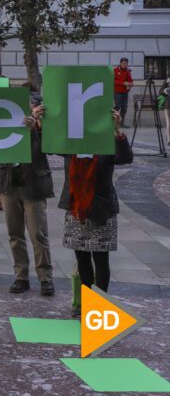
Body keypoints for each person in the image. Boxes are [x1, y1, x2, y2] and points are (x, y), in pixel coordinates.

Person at [60, 108, 133, 311]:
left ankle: (99, 306)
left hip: (101, 207)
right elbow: (49, 146)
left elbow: (125, 157)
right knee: (82, 257)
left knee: (101, 258)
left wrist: (117, 130)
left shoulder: (106, 138)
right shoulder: (70, 138)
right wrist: (42, 123)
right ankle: (85, 303)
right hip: (76, 207)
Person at [0, 97, 55, 296]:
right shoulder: (2, 125)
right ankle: (21, 276)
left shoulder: (37, 124)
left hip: (32, 185)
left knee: (38, 233)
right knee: (15, 234)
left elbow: (49, 147)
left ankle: (45, 278)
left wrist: (35, 128)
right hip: (9, 184)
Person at [114, 58, 133, 128]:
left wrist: (130, 84)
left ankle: (121, 124)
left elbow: (130, 80)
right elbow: (114, 81)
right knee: (117, 107)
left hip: (125, 92)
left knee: (124, 108)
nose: (125, 65)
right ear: (120, 63)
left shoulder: (128, 71)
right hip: (117, 92)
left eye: (126, 64)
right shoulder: (115, 70)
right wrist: (123, 83)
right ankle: (114, 123)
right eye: (123, 63)